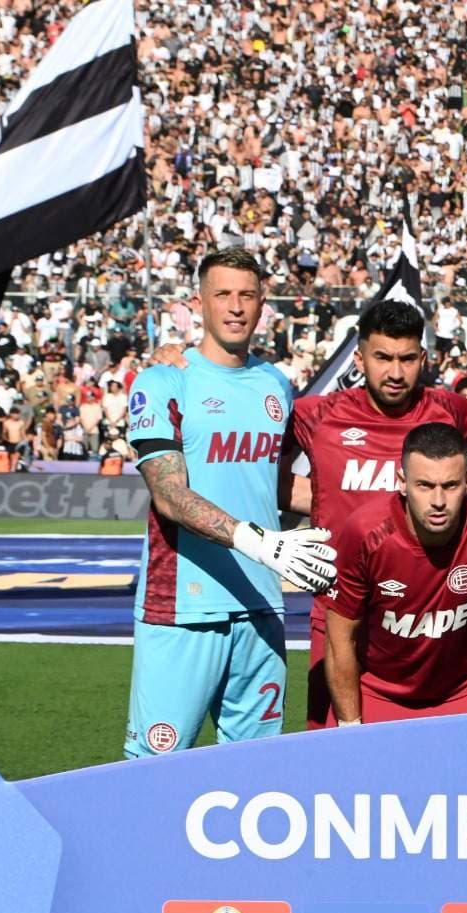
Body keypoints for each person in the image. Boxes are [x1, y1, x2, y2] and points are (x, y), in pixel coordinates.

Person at [123, 248, 336, 757]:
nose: (236, 307)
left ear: (264, 303)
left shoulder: (276, 385)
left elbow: (278, 484)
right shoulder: (163, 381)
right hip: (183, 608)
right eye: (223, 294)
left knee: (257, 773)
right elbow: (170, 494)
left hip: (261, 604)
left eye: (247, 295)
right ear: (199, 302)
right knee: (155, 770)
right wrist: (258, 542)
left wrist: (373, 504)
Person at [280, 299, 467, 727]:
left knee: (436, 747)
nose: (394, 372)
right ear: (359, 357)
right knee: (334, 750)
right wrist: (319, 502)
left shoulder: (452, 412)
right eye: (382, 357)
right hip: (339, 612)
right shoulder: (318, 416)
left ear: (423, 358)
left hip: (432, 615)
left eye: (407, 359)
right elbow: (263, 477)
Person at [324, 423, 467, 722]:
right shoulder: (364, 532)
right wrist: (349, 726)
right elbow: (341, 637)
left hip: (461, 691)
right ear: (402, 482)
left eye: (451, 486)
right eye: (425, 486)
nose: (439, 501)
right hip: (378, 689)